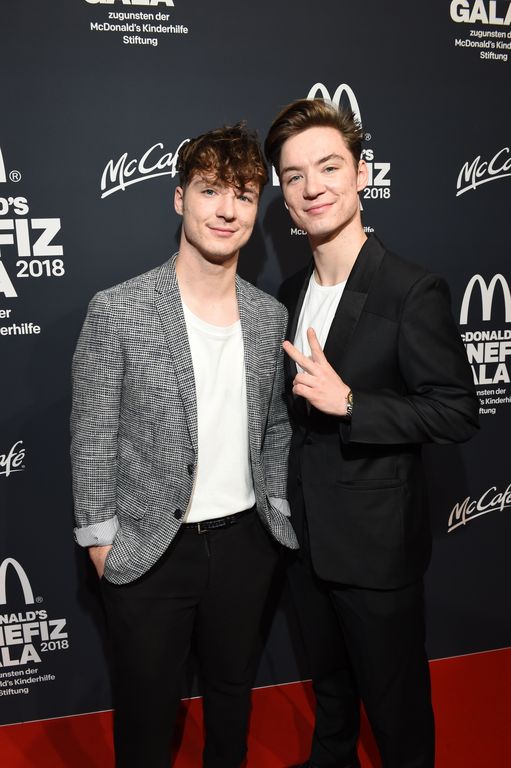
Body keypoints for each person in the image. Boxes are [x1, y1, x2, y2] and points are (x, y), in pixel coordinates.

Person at [71, 122, 298, 768]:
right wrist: (102, 544)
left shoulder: (268, 316)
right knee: (146, 720)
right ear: (179, 198)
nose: (227, 209)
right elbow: (92, 435)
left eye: (244, 195)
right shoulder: (119, 308)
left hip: (246, 544)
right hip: (150, 551)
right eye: (209, 190)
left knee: (230, 705)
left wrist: (275, 508)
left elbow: (275, 426)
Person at [264, 99, 479, 768]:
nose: (312, 187)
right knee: (330, 697)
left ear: (361, 174)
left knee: (395, 711)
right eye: (294, 175)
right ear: (284, 195)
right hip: (304, 540)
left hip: (377, 550)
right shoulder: (290, 291)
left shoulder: (410, 288)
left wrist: (352, 403)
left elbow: (455, 411)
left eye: (329, 167)